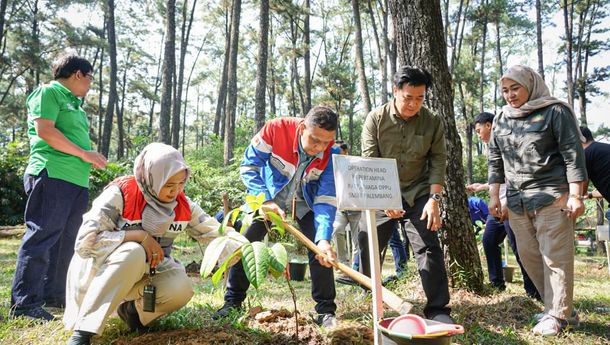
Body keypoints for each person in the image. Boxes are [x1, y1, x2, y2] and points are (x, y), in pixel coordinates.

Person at [63, 143, 246, 345]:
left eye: (181, 184)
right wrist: (138, 236)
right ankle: (84, 330)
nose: (175, 191)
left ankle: (133, 314)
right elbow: (85, 242)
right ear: (151, 177)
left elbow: (214, 231)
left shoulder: (182, 206)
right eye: (168, 185)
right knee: (134, 252)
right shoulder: (122, 195)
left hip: (145, 273)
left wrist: (251, 251)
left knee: (180, 287)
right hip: (99, 272)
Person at [214, 106, 340, 328]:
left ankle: (326, 311)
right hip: (268, 196)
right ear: (302, 127)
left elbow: (325, 199)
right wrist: (265, 201)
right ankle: (232, 303)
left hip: (306, 203)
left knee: (320, 250)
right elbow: (249, 167)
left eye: (326, 142)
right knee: (248, 240)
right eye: (314, 140)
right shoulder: (276, 129)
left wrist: (324, 238)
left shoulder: (333, 153)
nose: (319, 148)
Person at [488, 65, 587, 336]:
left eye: (515, 88)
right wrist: (495, 195)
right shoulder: (501, 118)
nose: (510, 95)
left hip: (553, 197)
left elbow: (573, 155)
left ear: (530, 85)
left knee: (555, 259)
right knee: (530, 257)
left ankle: (557, 316)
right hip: (517, 201)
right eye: (505, 90)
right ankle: (561, 309)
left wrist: (576, 195)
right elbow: (496, 160)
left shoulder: (555, 111)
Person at [9, 53, 108, 322]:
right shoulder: (49, 92)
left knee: (66, 241)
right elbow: (45, 131)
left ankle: (54, 296)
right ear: (78, 74)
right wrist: (85, 154)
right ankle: (25, 303)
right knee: (42, 235)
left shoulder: (75, 105)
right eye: (89, 79)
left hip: (76, 180)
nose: (89, 85)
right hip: (51, 173)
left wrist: (88, 156)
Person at [359, 66, 453, 324]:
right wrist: (386, 200)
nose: (413, 104)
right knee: (368, 239)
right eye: (408, 97)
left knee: (428, 245)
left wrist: (434, 200)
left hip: (418, 192)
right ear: (395, 91)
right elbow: (371, 161)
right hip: (382, 190)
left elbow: (438, 160)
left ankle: (438, 309)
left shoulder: (432, 121)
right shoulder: (375, 119)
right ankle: (372, 298)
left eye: (420, 98)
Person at [468, 112, 540, 298]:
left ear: (489, 125)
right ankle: (496, 284)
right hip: (497, 207)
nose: (479, 135)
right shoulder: (491, 148)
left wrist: (508, 202)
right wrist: (482, 186)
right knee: (489, 241)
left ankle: (533, 290)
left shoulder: (508, 144)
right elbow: (499, 178)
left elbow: (517, 177)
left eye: (479, 130)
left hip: (513, 205)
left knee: (519, 248)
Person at [331, 141, 361, 268]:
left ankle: (356, 266)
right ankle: (342, 264)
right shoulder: (331, 168)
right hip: (340, 208)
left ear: (346, 152)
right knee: (337, 229)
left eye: (339, 151)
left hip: (356, 208)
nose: (336, 154)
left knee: (358, 240)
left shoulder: (355, 166)